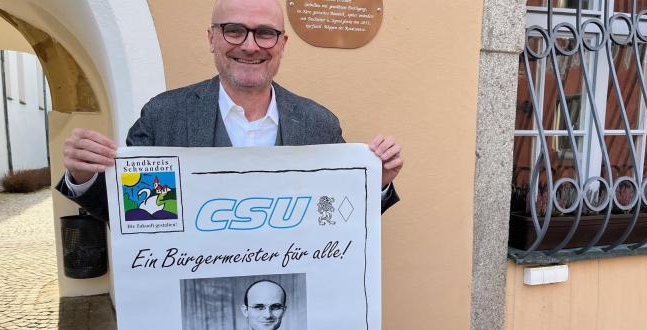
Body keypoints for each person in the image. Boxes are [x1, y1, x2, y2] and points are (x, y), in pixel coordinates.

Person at [55, 0, 403, 219]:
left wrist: (379, 182)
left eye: (265, 33)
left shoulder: (319, 124)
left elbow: (341, 214)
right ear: (211, 38)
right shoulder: (163, 117)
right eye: (234, 31)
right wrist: (84, 178)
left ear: (282, 44)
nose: (250, 46)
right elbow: (130, 215)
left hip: (291, 294)